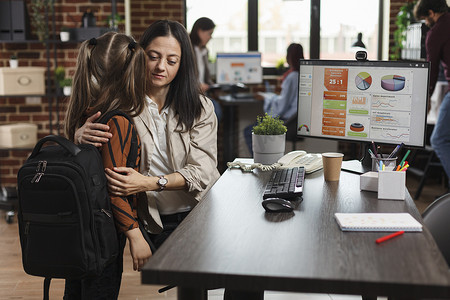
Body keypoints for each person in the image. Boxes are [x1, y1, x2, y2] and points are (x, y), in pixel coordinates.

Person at [74, 20, 220, 251]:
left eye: (172, 61)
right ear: (139, 56)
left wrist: (148, 183)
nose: (161, 67)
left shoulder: (201, 107)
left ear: (182, 64)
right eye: (153, 56)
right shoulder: (122, 106)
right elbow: (96, 165)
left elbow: (202, 172)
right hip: (155, 221)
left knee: (248, 270)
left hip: (202, 209)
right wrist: (79, 136)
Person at [64, 32, 151, 299]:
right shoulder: (118, 121)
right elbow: (114, 184)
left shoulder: (86, 112)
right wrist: (135, 235)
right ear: (133, 71)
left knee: (75, 293)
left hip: (79, 224)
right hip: (104, 232)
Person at [414, 0, 450, 190]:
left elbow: (431, 70)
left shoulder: (436, 33)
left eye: (425, 19)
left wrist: (426, 98)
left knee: (439, 139)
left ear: (431, 12)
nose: (426, 24)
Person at [244, 43, 304, 154]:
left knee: (249, 131)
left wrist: (266, 98)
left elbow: (281, 107)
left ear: (289, 57)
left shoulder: (292, 77)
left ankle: (259, 162)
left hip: (287, 122)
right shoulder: (302, 74)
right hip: (296, 122)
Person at [189, 17, 223, 122]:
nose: (210, 37)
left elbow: (205, 77)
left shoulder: (204, 51)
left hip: (204, 94)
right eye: (209, 33)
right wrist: (196, 86)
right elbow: (184, 75)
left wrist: (213, 86)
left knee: (217, 111)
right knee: (216, 111)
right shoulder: (188, 49)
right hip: (191, 94)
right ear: (200, 31)